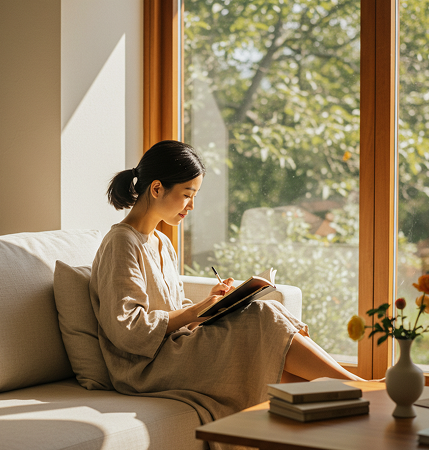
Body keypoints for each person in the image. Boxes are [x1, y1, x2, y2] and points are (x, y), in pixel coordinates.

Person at [89, 140, 364, 447]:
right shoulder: (121, 243)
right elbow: (128, 329)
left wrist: (216, 303)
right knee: (264, 315)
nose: (191, 206)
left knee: (261, 323)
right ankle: (359, 388)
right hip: (144, 367)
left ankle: (353, 404)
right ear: (156, 189)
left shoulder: (162, 243)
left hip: (174, 347)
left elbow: (172, 308)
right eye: (187, 195)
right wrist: (196, 311)